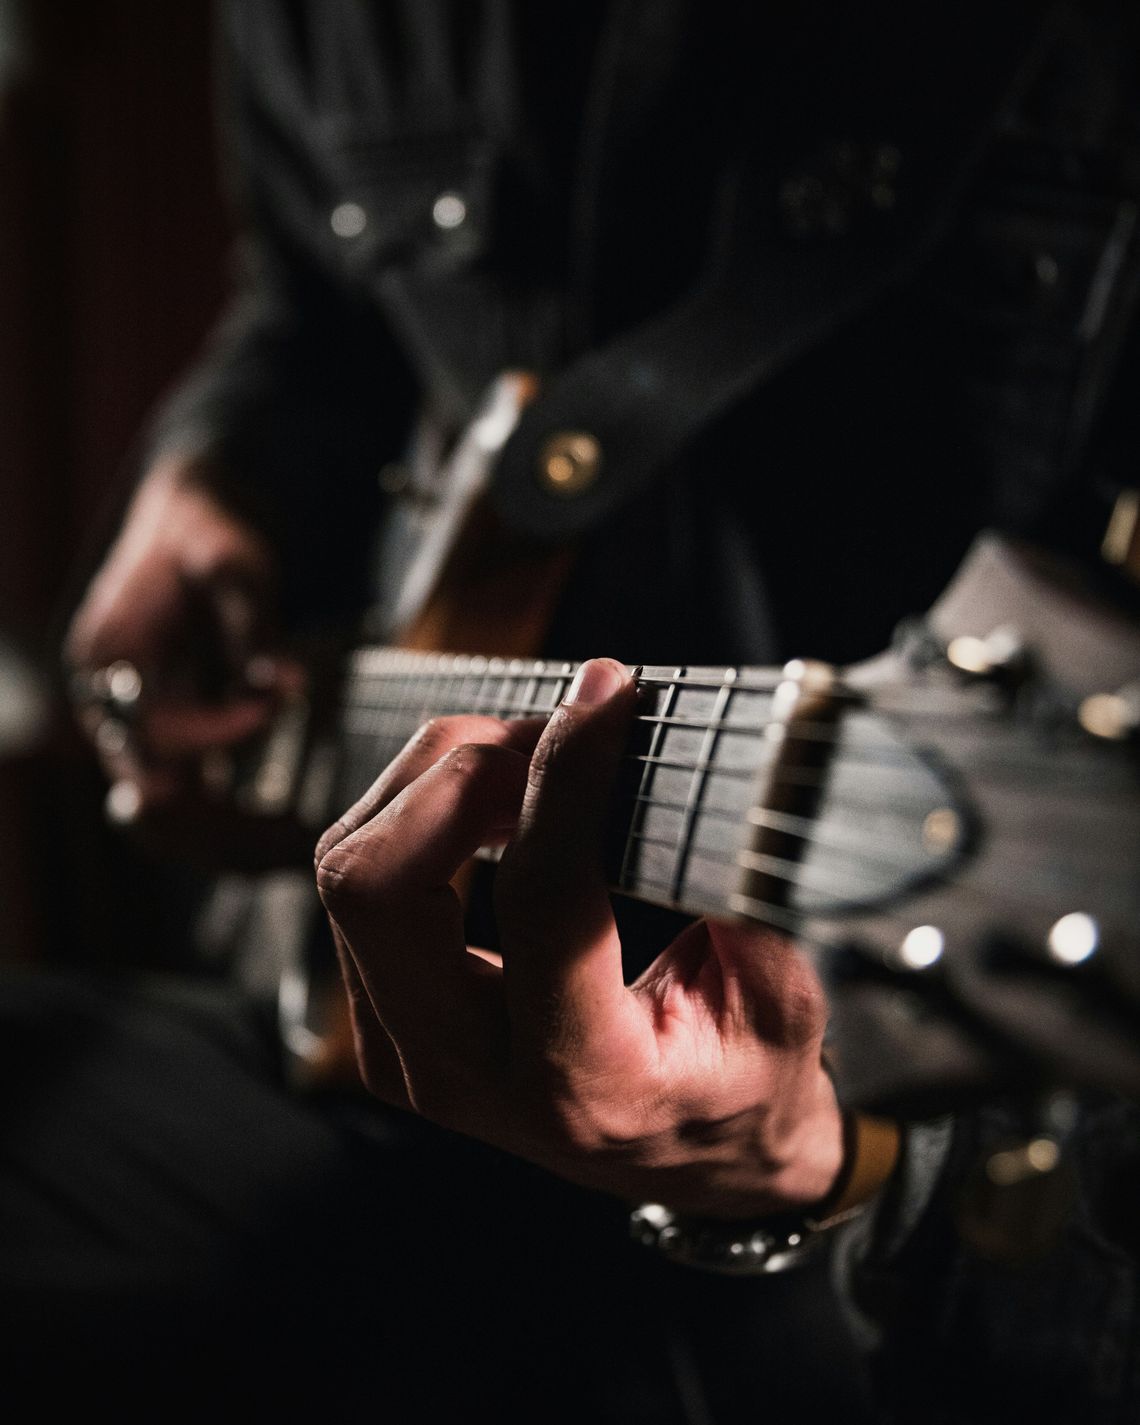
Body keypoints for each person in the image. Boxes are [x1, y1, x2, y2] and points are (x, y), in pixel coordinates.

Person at [12, 1, 1140, 1421]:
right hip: (375, 1055)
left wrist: (827, 1160)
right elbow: (309, 313)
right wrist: (210, 479)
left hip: (876, 1218)